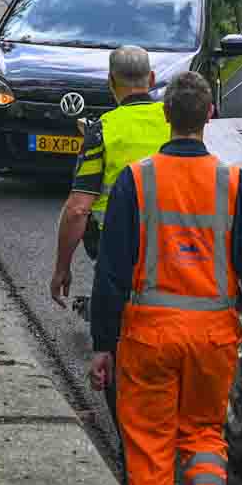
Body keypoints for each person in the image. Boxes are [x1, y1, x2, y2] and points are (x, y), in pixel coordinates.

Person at [87, 70, 242, 485]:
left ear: (167, 116)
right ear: (209, 117)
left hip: (148, 334)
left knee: (150, 444)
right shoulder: (235, 184)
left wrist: (103, 342)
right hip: (213, 336)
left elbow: (110, 272)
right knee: (204, 434)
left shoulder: (137, 180)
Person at [50, 46, 171, 311]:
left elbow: (78, 209)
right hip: (175, 235)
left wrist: (62, 268)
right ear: (151, 79)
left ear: (110, 82)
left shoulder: (102, 129)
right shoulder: (174, 120)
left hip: (117, 241)